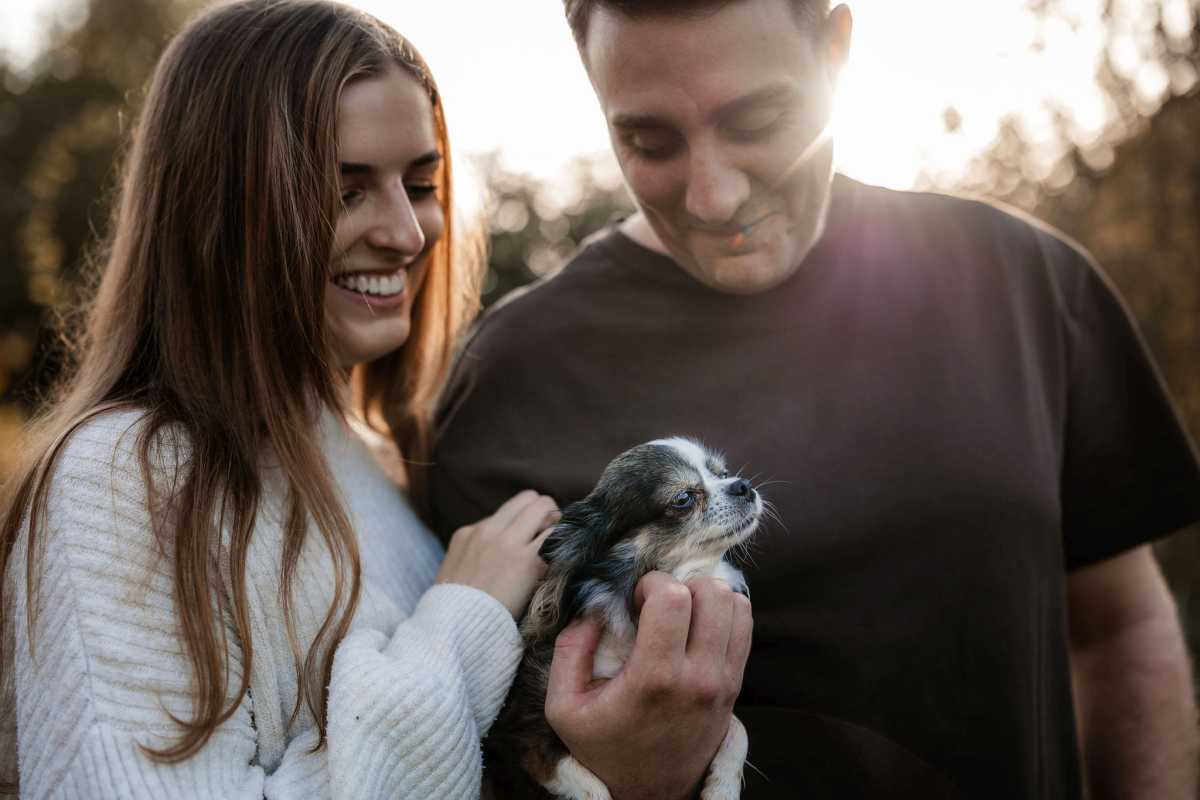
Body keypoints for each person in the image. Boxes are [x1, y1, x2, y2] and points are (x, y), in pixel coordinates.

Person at [429, 1, 1200, 798]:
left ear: (834, 49)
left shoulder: (1026, 281)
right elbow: (475, 749)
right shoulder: (511, 374)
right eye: (648, 141)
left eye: (759, 120)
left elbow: (1120, 629)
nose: (715, 195)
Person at [0, 2, 567, 797]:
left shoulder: (382, 463)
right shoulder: (127, 480)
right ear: (219, 211)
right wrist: (461, 628)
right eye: (345, 193)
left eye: (421, 183)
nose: (407, 233)